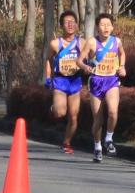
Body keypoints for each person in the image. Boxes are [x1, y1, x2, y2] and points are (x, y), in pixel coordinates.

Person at [76, 13, 126, 163]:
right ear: (97, 28)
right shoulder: (91, 42)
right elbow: (79, 60)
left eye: (108, 25)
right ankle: (97, 147)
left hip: (112, 80)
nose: (105, 28)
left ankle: (109, 139)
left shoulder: (116, 41)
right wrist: (85, 67)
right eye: (102, 25)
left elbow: (122, 54)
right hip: (96, 81)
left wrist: (122, 67)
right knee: (98, 117)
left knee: (113, 111)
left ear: (112, 27)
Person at [45, 10, 85, 154]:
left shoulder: (82, 43)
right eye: (67, 22)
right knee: (61, 112)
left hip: (75, 81)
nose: (70, 24)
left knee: (73, 116)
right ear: (62, 25)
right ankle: (53, 109)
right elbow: (48, 60)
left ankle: (67, 142)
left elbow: (92, 57)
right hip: (61, 80)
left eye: (73, 22)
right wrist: (49, 77)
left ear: (77, 24)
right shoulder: (55, 44)